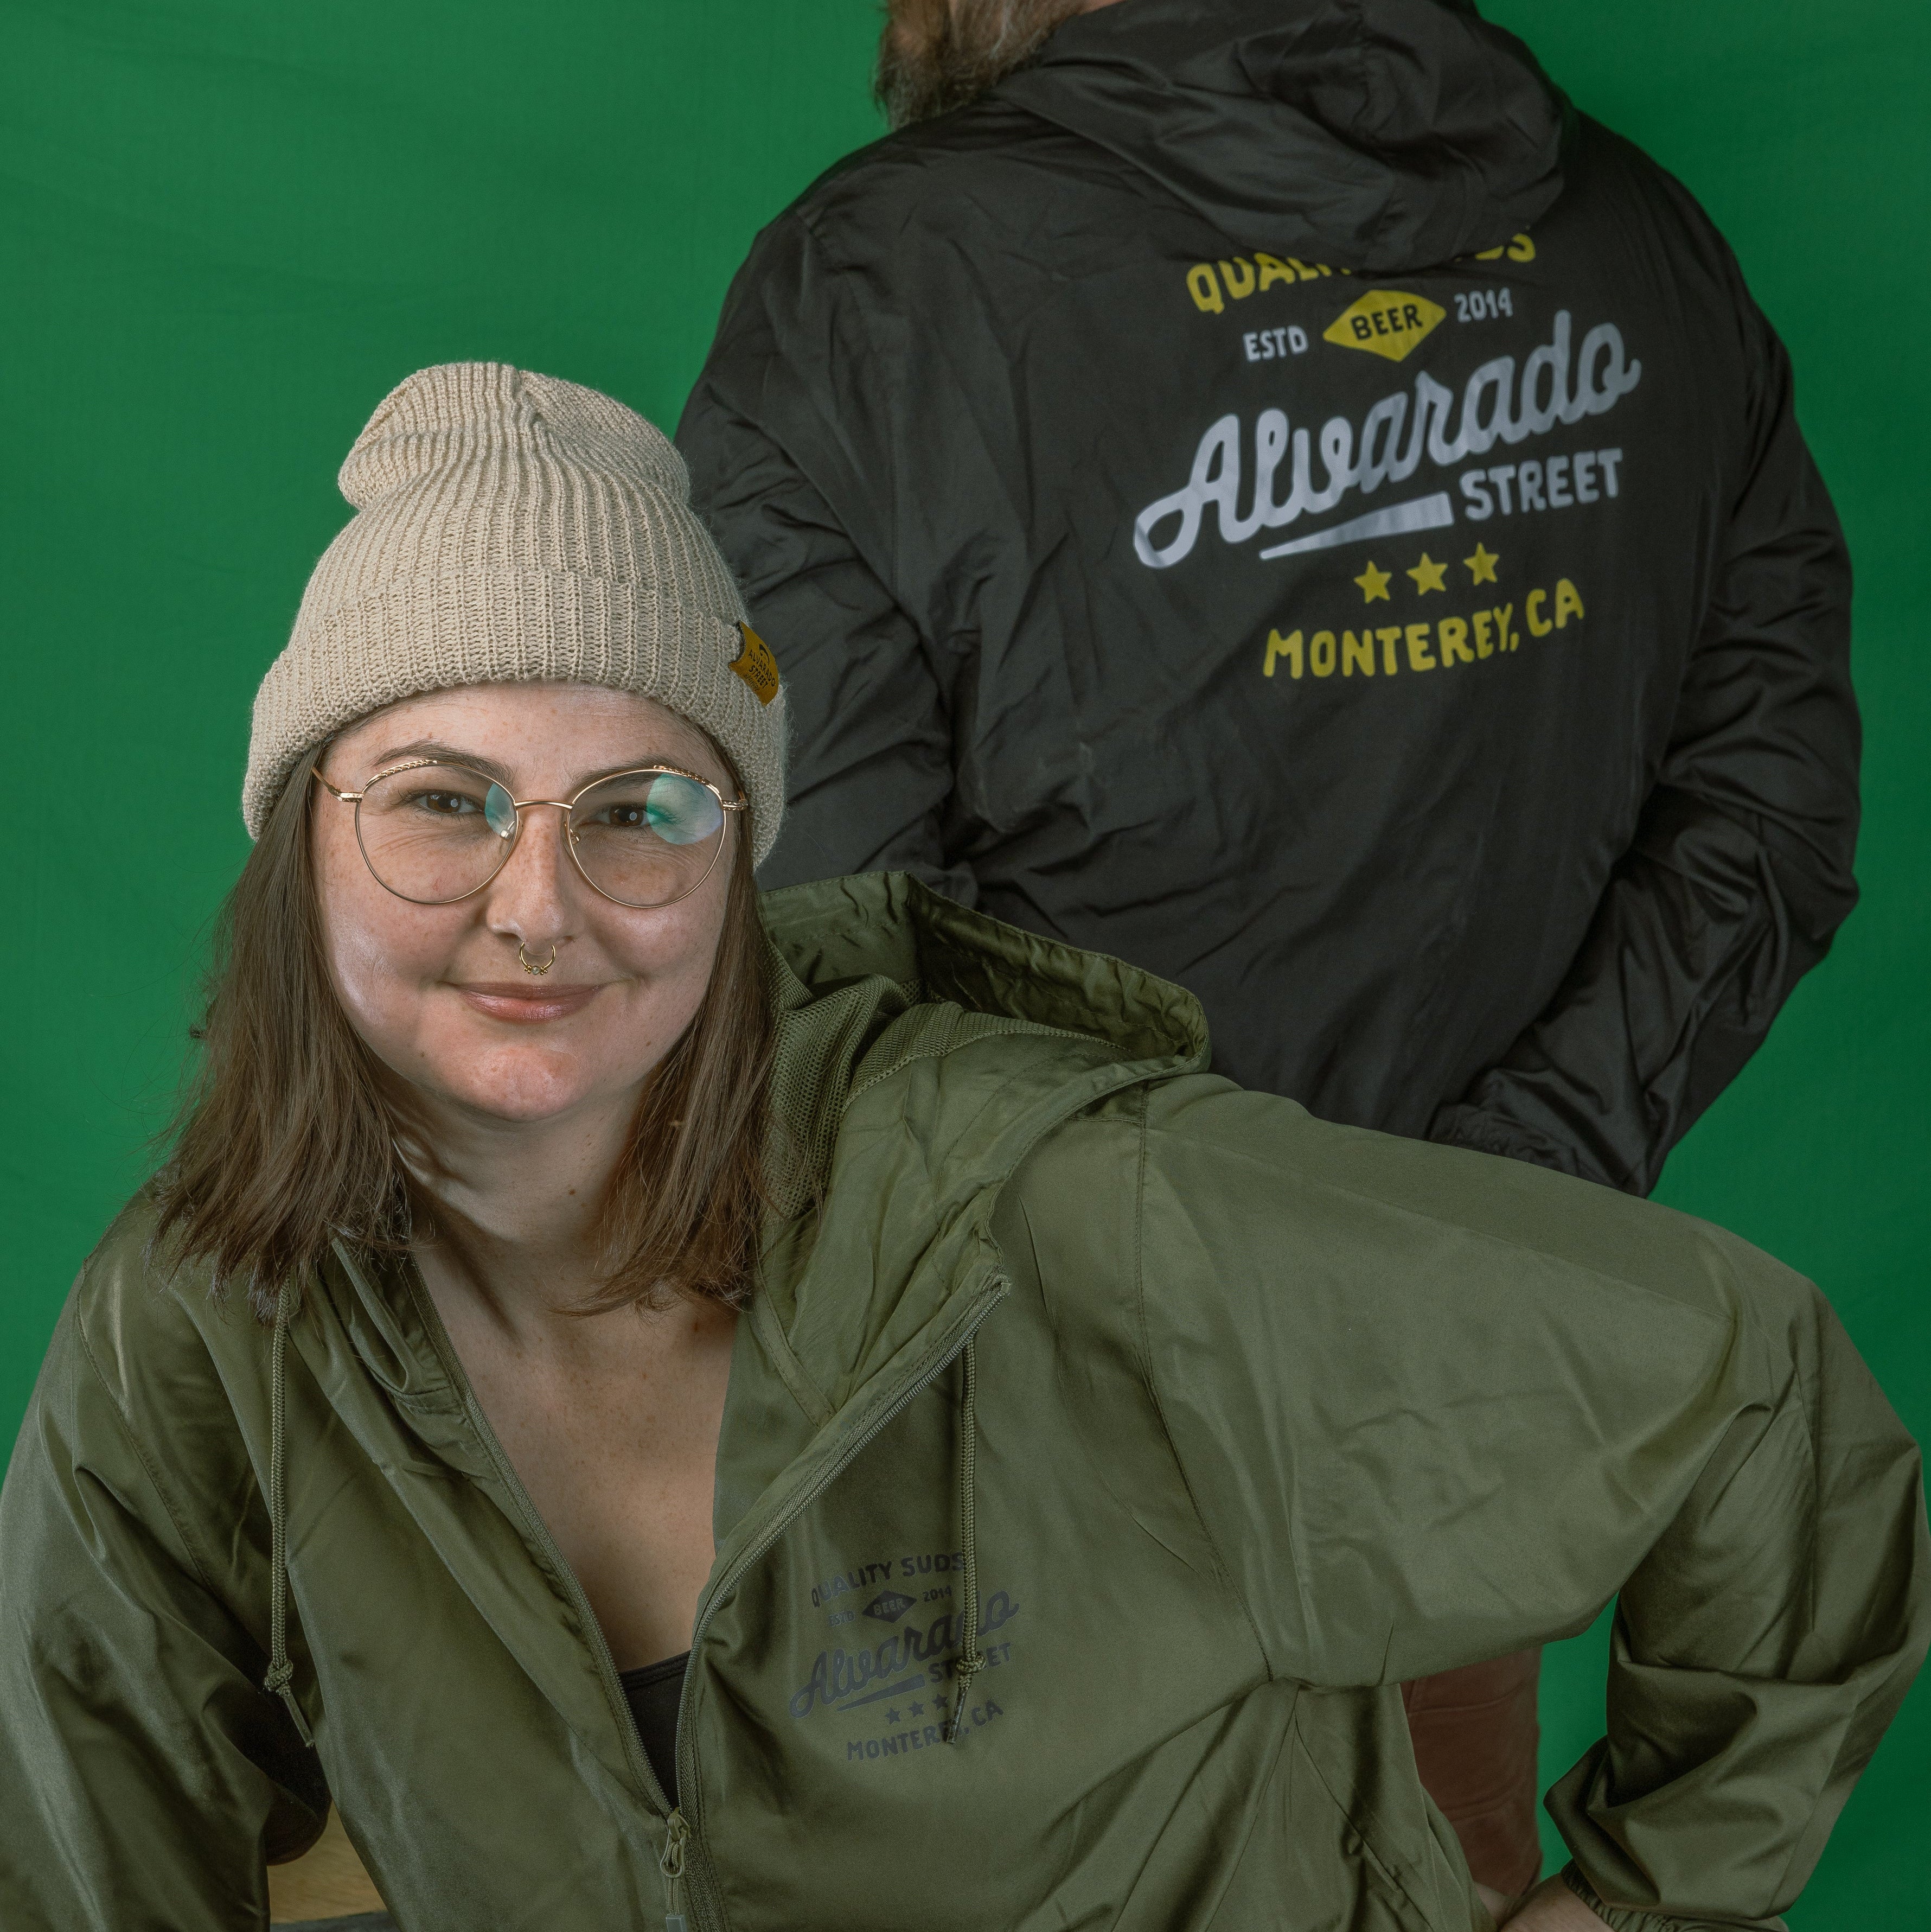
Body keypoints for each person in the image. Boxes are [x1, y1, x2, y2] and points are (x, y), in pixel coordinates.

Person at [0, 364, 1916, 1932]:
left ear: (735, 869)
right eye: (443, 801)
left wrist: (1643, 1907)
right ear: (299, 845)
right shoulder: (203, 1320)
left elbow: (1756, 1398)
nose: (537, 903)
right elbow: (87, 1850)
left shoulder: (1068, 1208)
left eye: (641, 810)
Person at [673, 0, 1863, 1889]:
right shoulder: (1641, 244)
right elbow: (1771, 807)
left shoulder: (873, 286)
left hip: (1022, 1517)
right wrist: (1481, 1213)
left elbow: (816, 964)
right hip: (1446, 1421)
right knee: (1437, 1865)